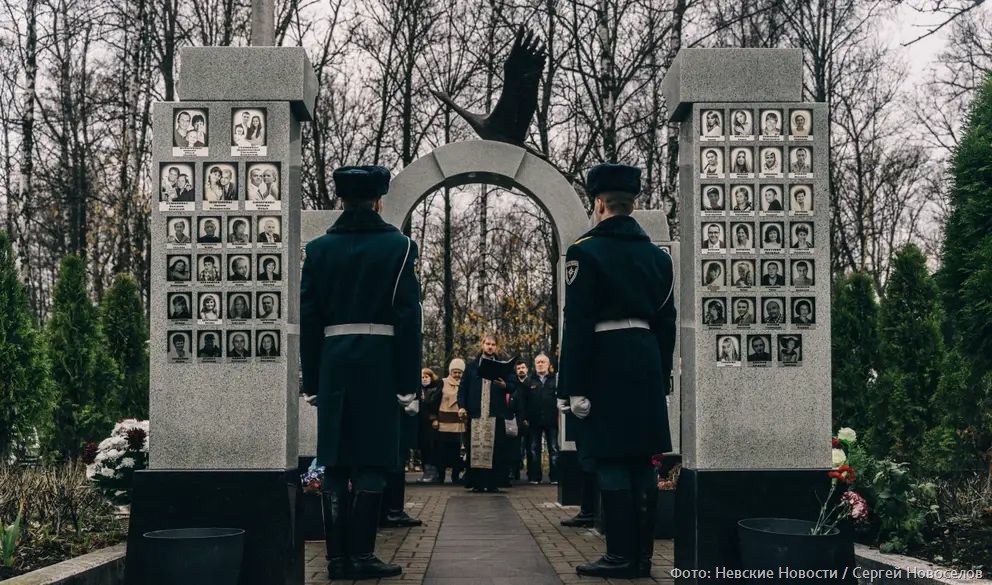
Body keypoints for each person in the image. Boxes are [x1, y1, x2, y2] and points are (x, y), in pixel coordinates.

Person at [300, 165, 420, 580]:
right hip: (379, 363)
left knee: (333, 462)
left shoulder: (317, 250)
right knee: (371, 460)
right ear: (379, 200)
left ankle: (336, 561)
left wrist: (312, 380)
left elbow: (310, 318)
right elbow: (408, 318)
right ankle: (363, 557)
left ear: (341, 199)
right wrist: (408, 383)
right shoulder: (400, 247)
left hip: (334, 361)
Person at [559, 163, 676, 578]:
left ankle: (618, 555)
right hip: (644, 362)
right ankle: (642, 559)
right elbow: (667, 324)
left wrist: (572, 386)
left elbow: (577, 324)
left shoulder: (584, 252)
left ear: (597, 205)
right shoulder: (657, 259)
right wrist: (661, 377)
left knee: (610, 461)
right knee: (643, 464)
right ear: (632, 204)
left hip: (604, 363)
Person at [456, 333, 515, 493]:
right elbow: (463, 388)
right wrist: (462, 406)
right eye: (487, 343)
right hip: (476, 413)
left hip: (495, 413)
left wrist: (505, 386)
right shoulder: (472, 366)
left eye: (493, 344)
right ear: (482, 344)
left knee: (495, 449)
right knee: (475, 448)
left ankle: (493, 482)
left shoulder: (502, 366)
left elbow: (513, 384)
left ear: (496, 347)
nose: (490, 347)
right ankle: (477, 482)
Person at [520, 353, 559, 485]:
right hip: (534, 420)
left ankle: (555, 477)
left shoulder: (555, 380)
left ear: (548, 365)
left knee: (554, 449)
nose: (540, 364)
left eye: (543, 362)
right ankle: (534, 476)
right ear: (535, 365)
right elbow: (523, 401)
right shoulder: (529, 381)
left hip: (552, 420)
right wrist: (524, 417)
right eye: (538, 362)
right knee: (533, 449)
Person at [431, 359, 466, 484]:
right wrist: (434, 418)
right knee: (442, 451)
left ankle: (455, 477)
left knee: (456, 452)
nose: (457, 375)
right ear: (450, 371)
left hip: (458, 423)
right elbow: (434, 401)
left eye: (459, 372)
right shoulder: (443, 383)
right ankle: (440, 477)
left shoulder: (464, 384)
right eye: (455, 372)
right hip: (443, 423)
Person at [417, 368, 443, 483]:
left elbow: (435, 403)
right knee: (423, 447)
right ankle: (426, 472)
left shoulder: (436, 388)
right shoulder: (419, 389)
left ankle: (432, 473)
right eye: (422, 377)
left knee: (431, 447)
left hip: (432, 422)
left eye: (426, 377)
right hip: (421, 423)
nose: (424, 379)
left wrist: (435, 417)